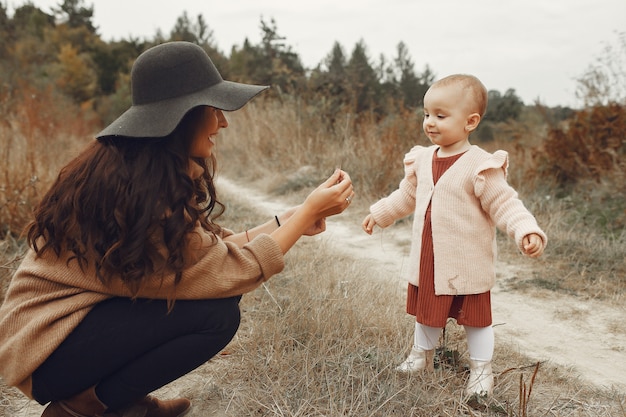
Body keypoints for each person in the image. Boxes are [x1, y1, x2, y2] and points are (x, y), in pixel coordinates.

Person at [0, 41, 354, 417]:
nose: (223, 121)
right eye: (214, 109)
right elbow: (228, 272)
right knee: (215, 314)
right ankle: (81, 406)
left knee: (214, 303)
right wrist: (302, 219)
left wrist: (290, 217)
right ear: (182, 115)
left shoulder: (139, 168)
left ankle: (124, 404)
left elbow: (203, 254)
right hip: (45, 349)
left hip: (60, 338)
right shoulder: (137, 192)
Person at [361, 74, 546, 398]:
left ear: (470, 121)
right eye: (426, 114)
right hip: (430, 257)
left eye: (440, 116)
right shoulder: (422, 159)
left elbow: (505, 203)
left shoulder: (479, 165)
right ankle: (422, 355)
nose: (430, 122)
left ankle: (481, 370)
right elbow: (407, 194)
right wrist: (380, 213)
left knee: (476, 319)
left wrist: (526, 229)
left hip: (467, 261)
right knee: (426, 312)